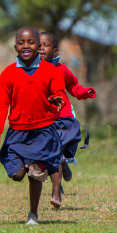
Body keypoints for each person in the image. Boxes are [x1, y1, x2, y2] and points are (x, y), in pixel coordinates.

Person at [0, 27, 66, 225]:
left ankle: (33, 214)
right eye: (21, 43)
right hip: (18, 132)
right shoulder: (8, 74)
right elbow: (2, 107)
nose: (26, 46)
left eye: (31, 42)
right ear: (15, 47)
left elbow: (59, 92)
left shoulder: (50, 71)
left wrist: (58, 98)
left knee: (34, 176)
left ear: (39, 46)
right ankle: (31, 164)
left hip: (43, 131)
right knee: (17, 174)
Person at [38, 32, 96, 206]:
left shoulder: (61, 70)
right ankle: (63, 165)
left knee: (56, 153)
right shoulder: (30, 71)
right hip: (43, 119)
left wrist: (85, 92)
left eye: (45, 45)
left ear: (54, 51)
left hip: (63, 118)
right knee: (49, 154)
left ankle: (57, 194)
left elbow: (73, 86)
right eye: (38, 45)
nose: (41, 48)